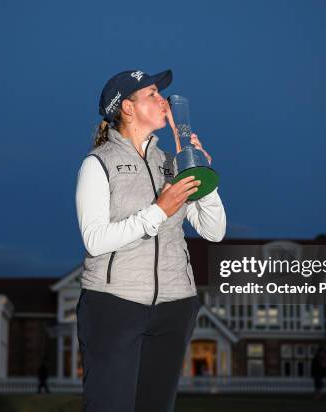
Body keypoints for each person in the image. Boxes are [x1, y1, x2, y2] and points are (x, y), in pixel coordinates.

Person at [75, 69, 226, 412]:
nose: (164, 102)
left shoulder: (172, 163)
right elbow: (95, 240)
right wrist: (158, 211)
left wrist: (200, 171)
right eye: (153, 94)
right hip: (113, 305)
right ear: (127, 107)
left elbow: (213, 230)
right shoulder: (98, 164)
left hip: (175, 305)